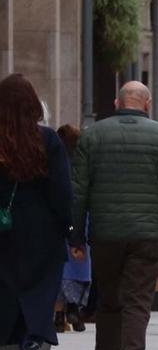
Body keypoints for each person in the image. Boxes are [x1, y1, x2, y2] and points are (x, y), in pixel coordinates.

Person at [70, 80, 158, 350]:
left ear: (116, 102)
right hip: (149, 235)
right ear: (147, 104)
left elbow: (78, 192)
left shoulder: (92, 136)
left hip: (106, 234)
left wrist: (76, 235)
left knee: (109, 301)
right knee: (137, 303)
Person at [0, 76, 72, 350]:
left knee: (7, 301)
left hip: (4, 233)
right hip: (42, 236)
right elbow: (61, 191)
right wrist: (69, 227)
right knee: (39, 301)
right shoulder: (47, 140)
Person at [55, 124, 89, 333]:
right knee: (79, 266)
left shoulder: (55, 161)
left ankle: (59, 315)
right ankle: (75, 310)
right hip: (81, 219)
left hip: (59, 222)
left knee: (61, 271)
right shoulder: (82, 162)